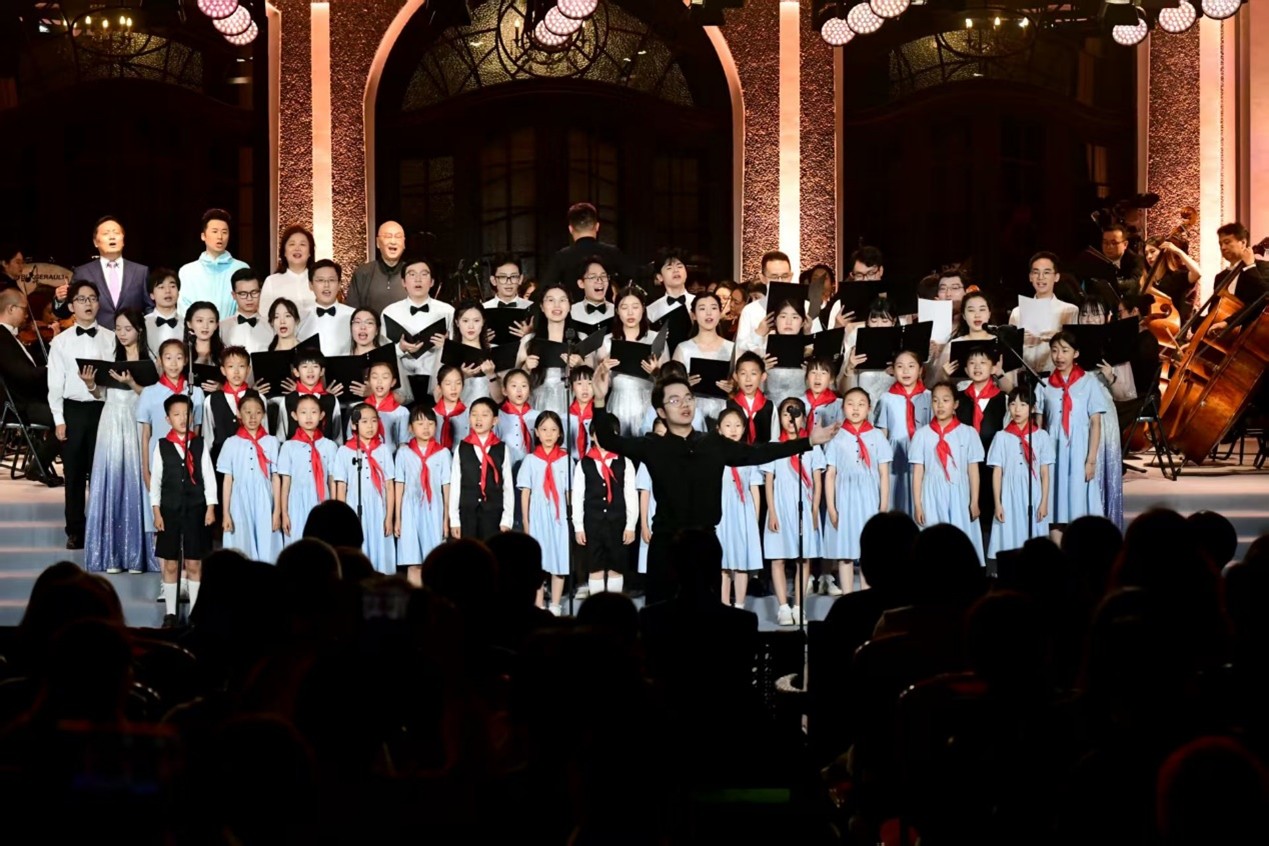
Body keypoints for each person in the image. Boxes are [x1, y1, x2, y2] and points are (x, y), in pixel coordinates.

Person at [590, 368, 837, 603]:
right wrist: (599, 400)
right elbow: (609, 440)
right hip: (666, 545)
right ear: (661, 412)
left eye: (688, 398)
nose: (684, 404)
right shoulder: (653, 446)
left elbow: (759, 452)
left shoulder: (713, 443)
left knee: (707, 614)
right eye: (675, 400)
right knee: (661, 613)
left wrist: (808, 441)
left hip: (705, 543)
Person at [80, 308, 151, 574]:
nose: (122, 334)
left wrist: (132, 383)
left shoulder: (150, 361)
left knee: (135, 480)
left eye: (127, 328)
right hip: (110, 421)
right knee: (111, 481)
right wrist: (90, 384)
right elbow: (100, 394)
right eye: (118, 328)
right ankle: (111, 554)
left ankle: (136, 555)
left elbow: (152, 397)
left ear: (139, 331)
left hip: (135, 422)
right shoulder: (110, 358)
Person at [47, 279, 115, 549]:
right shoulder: (60, 342)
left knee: (101, 473)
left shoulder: (111, 338)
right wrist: (59, 419)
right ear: (71, 306)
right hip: (73, 410)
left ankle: (101, 528)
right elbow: (55, 383)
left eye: (93, 298)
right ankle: (75, 530)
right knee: (74, 474)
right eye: (81, 299)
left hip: (102, 410)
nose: (88, 304)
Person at [149, 393, 217, 626]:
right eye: (176, 414)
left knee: (194, 562)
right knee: (170, 562)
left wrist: (210, 507)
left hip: (196, 509)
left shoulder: (198, 444)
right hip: (169, 510)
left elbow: (208, 477)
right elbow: (156, 482)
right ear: (168, 419)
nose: (182, 418)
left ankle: (196, 614)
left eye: (186, 414)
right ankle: (171, 613)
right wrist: (156, 512)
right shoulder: (162, 446)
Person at [137, 339, 206, 559]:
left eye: (179, 358)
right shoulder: (149, 393)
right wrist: (145, 471)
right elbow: (145, 435)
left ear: (186, 361)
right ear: (159, 361)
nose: (174, 363)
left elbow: (197, 433)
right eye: (168, 358)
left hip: (187, 465)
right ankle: (165, 570)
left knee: (188, 520)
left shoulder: (195, 393)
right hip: (160, 462)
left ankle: (186, 571)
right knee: (162, 520)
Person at [824, 387, 893, 600]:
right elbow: (830, 474)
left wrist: (883, 506)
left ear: (869, 408)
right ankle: (847, 599)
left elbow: (884, 474)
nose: (855, 408)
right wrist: (832, 508)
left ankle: (867, 599)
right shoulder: (836, 436)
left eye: (861, 404)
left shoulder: (877, 436)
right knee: (845, 553)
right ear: (843, 407)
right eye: (850, 404)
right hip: (844, 499)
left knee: (868, 552)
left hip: (869, 499)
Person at [762, 397, 826, 625]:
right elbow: (769, 481)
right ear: (779, 418)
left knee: (803, 557)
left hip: (804, 507)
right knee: (778, 558)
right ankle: (783, 607)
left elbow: (817, 481)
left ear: (804, 417)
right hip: (779, 506)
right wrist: (772, 512)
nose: (791, 419)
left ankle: (799, 606)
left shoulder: (812, 445)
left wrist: (815, 510)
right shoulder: (773, 445)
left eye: (796, 414)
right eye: (786, 414)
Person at [910, 382, 986, 565]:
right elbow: (918, 472)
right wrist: (918, 505)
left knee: (960, 541)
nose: (940, 405)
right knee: (933, 544)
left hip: (959, 494)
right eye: (935, 401)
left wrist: (974, 501)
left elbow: (973, 470)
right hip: (931, 494)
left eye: (945, 400)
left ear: (955, 404)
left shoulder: (968, 433)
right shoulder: (922, 435)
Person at [1039, 330, 1106, 526]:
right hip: (1053, 448)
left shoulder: (1089, 382)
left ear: (1076, 353)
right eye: (1054, 350)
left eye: (1065, 350)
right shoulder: (1043, 384)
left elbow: (1095, 423)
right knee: (1053, 503)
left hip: (1079, 449)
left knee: (1079, 501)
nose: (1059, 356)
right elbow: (1039, 425)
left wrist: (1091, 460)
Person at [0, 289, 62, 484]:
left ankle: (47, 464)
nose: (27, 315)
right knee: (66, 417)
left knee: (68, 411)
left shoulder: (11, 336)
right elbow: (23, 375)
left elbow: (32, 368)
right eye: (24, 309)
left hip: (28, 400)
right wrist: (52, 370)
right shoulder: (1, 337)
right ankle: (38, 466)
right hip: (18, 405)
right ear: (11, 308)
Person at [572, 413, 636, 596]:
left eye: (610, 434)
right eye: (600, 433)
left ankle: (614, 607)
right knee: (595, 568)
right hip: (593, 524)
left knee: (616, 567)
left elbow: (631, 495)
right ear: (592, 435)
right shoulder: (584, 464)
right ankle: (596, 608)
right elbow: (577, 497)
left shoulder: (625, 462)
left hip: (618, 523)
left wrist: (631, 525)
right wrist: (578, 526)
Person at [52, 216, 151, 330]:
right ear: (95, 242)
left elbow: (150, 308)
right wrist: (60, 300)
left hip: (132, 337)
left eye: (116, 233)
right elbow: (65, 312)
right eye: (106, 233)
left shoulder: (141, 272)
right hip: (96, 336)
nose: (112, 237)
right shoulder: (82, 273)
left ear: (123, 240)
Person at [217, 390, 282, 562]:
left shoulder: (272, 442)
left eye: (258, 412)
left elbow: (275, 477)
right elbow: (228, 480)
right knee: (242, 543)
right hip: (240, 501)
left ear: (263, 415)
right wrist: (225, 513)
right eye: (248, 412)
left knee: (267, 544)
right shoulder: (231, 443)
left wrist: (277, 511)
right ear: (239, 414)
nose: (253, 417)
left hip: (265, 499)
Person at [987, 389, 1053, 558]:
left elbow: (1045, 473)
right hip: (1009, 494)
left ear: (1032, 408)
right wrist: (998, 503)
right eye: (1013, 404)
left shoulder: (1041, 436)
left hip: (1034, 493)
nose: (1017, 409)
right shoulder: (1001, 437)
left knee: (1034, 539)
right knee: (1009, 537)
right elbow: (997, 473)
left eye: (1023, 405)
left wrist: (1044, 502)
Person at [517, 411, 571, 615]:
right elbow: (525, 493)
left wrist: (571, 519)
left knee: (559, 557)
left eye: (553, 430)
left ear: (560, 433)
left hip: (559, 516)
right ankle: (538, 605)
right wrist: (526, 521)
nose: (549, 434)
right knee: (538, 561)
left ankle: (555, 604)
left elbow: (569, 492)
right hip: (537, 515)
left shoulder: (566, 460)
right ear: (537, 432)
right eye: (544, 429)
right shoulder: (530, 460)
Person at [333, 403, 396, 575]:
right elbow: (341, 487)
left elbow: (389, 485)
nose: (370, 426)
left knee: (380, 549)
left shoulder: (384, 450)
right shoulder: (345, 451)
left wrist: (389, 516)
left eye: (374, 421)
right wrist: (343, 518)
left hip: (379, 507)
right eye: (365, 421)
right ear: (354, 425)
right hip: (354, 506)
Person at [592, 285, 663, 437]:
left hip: (648, 403)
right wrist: (604, 371)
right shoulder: (606, 342)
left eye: (635, 307)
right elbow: (603, 385)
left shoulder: (655, 339)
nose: (630, 313)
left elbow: (668, 380)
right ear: (617, 311)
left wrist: (656, 373)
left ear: (643, 308)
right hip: (619, 402)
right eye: (624, 308)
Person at [393, 402, 451, 587]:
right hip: (409, 510)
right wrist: (397, 518)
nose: (426, 428)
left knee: (434, 561)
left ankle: (434, 598)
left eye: (430, 423)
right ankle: (415, 598)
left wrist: (446, 518)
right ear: (411, 428)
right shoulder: (403, 453)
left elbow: (446, 487)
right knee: (413, 562)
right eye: (420, 423)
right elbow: (399, 485)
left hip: (434, 509)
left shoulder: (443, 453)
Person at [382, 255, 455, 390]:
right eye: (412, 274)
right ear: (403, 282)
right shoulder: (390, 312)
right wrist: (401, 348)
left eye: (424, 274)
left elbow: (459, 348)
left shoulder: (448, 311)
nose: (418, 279)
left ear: (432, 282)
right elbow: (382, 352)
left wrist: (446, 346)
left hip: (438, 383)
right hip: (401, 383)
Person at [715, 407, 763, 608]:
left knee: (742, 562)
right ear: (719, 429)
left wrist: (754, 518)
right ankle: (724, 604)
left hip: (743, 513)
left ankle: (740, 605)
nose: (733, 429)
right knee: (723, 563)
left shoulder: (748, 455)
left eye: (737, 425)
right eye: (728, 425)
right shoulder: (713, 455)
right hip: (721, 513)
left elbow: (754, 488)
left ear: (744, 429)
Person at [874, 349, 930, 518]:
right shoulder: (886, 398)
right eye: (900, 366)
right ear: (893, 370)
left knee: (922, 498)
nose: (905, 371)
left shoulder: (929, 397)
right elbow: (882, 433)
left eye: (911, 366)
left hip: (923, 454)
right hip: (896, 454)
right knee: (898, 499)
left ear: (920, 370)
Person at [449, 397, 514, 540]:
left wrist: (507, 519)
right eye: (474, 414)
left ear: (494, 420)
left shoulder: (501, 448)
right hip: (467, 513)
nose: (478, 419)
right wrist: (454, 519)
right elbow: (455, 484)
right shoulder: (462, 447)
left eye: (484, 415)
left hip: (493, 513)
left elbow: (507, 486)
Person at [277, 393, 337, 543]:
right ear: (294, 415)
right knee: (297, 542)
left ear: (321, 415)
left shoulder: (329, 446)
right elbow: (285, 483)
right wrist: (284, 513)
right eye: (303, 412)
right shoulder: (288, 447)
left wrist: (334, 509)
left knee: (323, 542)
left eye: (314, 412)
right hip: (296, 502)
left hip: (322, 501)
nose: (309, 417)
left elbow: (332, 481)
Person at [517, 279, 579, 420]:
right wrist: (526, 367)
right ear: (542, 306)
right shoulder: (529, 341)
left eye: (562, 300)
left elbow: (593, 379)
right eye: (550, 300)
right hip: (538, 403)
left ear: (570, 306)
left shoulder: (580, 339)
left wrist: (580, 365)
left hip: (569, 404)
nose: (557, 305)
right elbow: (515, 379)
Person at [1008, 251, 1079, 374]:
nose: (1041, 277)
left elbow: (1075, 347)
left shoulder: (1069, 310)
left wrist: (1057, 337)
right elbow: (1010, 353)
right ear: (1030, 277)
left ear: (1056, 277)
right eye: (1036, 272)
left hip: (1056, 376)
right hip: (1024, 376)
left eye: (1046, 272)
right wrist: (1019, 341)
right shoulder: (1017, 312)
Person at [672, 292, 735, 425]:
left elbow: (742, 384)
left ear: (720, 313)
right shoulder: (683, 349)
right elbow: (671, 387)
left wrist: (733, 388)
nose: (708, 313)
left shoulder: (732, 348)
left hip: (725, 416)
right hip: (692, 416)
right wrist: (685, 385)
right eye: (702, 309)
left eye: (713, 308)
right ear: (693, 315)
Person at [542, 202, 634, 290]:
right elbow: (634, 279)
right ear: (597, 226)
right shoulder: (612, 253)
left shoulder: (561, 257)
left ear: (570, 229)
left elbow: (544, 289)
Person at [178, 208, 249, 317]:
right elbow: (183, 309)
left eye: (224, 232)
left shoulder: (241, 268)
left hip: (234, 327)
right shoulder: (187, 271)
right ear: (203, 236)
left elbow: (247, 307)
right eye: (215, 231)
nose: (220, 237)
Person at [433, 301, 500, 404]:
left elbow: (499, 399)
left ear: (483, 321)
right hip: (458, 412)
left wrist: (491, 375)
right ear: (457, 323)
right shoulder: (447, 351)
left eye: (476, 320)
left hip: (488, 411)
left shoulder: (495, 350)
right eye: (465, 321)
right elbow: (437, 397)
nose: (471, 326)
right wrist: (461, 377)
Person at [842, 296, 900, 412]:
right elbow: (845, 391)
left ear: (893, 322)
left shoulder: (901, 342)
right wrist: (850, 367)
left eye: (885, 321)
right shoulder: (856, 338)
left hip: (893, 408)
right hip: (863, 410)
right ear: (867, 321)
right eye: (874, 321)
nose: (879, 325)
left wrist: (898, 373)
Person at [735, 250, 797, 354]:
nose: (780, 281)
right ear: (762, 278)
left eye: (785, 276)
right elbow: (740, 352)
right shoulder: (750, 311)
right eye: (774, 277)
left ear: (791, 276)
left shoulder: (806, 306)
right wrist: (758, 333)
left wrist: (807, 332)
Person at [275, 347, 342, 441]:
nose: (310, 370)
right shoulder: (288, 400)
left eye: (315, 366)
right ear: (296, 372)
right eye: (305, 366)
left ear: (322, 371)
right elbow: (281, 435)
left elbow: (338, 435)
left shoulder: (331, 400)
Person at [202, 345, 252, 467]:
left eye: (241, 366)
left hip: (250, 460)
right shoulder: (211, 400)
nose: (236, 371)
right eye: (230, 366)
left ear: (248, 370)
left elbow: (264, 434)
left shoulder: (258, 397)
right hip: (221, 461)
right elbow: (208, 437)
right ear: (223, 370)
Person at [346, 220, 407, 315]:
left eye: (398, 237)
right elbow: (352, 312)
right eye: (388, 236)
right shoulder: (363, 273)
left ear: (404, 243)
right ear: (378, 242)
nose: (393, 241)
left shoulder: (412, 273)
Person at [296, 260, 354, 357]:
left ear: (339, 284)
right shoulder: (299, 317)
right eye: (320, 280)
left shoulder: (353, 315)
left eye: (331, 280)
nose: (326, 285)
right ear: (310, 285)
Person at [645, 247, 696, 356]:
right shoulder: (651, 310)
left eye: (679, 266)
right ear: (659, 277)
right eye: (669, 268)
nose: (676, 270)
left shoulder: (698, 303)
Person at [261, 224, 316, 319]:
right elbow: (264, 318)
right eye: (292, 244)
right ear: (284, 252)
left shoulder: (318, 280)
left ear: (310, 252)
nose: (297, 248)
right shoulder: (271, 282)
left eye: (302, 244)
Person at [825, 245, 886, 330]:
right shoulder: (840, 305)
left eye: (870, 273)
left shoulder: (895, 299)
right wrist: (837, 327)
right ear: (852, 275)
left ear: (881, 271)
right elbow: (829, 338)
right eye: (859, 275)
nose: (865, 280)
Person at [1142, 236, 1201, 324]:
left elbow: (1197, 273)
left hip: (1177, 325)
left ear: (1163, 252)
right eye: (1146, 254)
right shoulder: (1148, 279)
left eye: (1152, 251)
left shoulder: (1176, 276)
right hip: (1157, 326)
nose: (1149, 256)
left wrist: (1177, 251)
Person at [219, 269, 274, 353]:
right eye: (243, 294)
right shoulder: (222, 327)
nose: (249, 298)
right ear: (234, 295)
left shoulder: (272, 326)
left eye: (254, 292)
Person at [359, 360, 408, 449]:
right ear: (368, 381)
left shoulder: (402, 412)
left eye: (385, 377)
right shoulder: (359, 409)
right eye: (374, 377)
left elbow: (403, 444)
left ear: (393, 382)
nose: (379, 381)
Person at [726, 351, 771, 445]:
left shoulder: (769, 406)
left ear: (763, 376)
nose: (748, 379)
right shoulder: (728, 405)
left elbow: (774, 439)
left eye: (753, 373)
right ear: (736, 376)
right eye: (743, 373)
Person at [497, 368, 538, 464]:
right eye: (514, 386)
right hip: (505, 465)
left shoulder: (537, 416)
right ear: (504, 391)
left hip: (532, 466)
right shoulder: (497, 417)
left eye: (524, 386)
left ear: (529, 390)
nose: (519, 390)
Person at [185, 300, 225, 392]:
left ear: (216, 325)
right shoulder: (182, 353)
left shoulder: (225, 355)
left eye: (211, 321)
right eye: (200, 321)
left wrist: (222, 388)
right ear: (189, 324)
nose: (205, 326)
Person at [143, 268, 184, 356]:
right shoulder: (142, 324)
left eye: (172, 286)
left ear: (178, 293)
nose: (168, 291)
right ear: (152, 295)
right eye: (161, 287)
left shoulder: (187, 325)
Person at [1099, 224, 1144, 297]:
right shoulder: (1098, 259)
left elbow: (1135, 283)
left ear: (1125, 244)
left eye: (1114, 243)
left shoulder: (1136, 260)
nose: (1109, 247)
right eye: (1105, 242)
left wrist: (1112, 284)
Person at [570, 258, 615, 331]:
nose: (600, 281)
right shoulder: (572, 312)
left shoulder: (617, 312)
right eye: (593, 277)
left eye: (603, 276)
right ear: (581, 283)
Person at [432, 364, 469, 450]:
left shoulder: (469, 414)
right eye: (448, 384)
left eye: (458, 383)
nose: (453, 388)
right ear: (439, 387)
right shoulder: (431, 414)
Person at [566, 365, 597, 462]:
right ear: (572, 386)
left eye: (590, 383)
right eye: (579, 383)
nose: (585, 388)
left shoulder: (599, 416)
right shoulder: (565, 417)